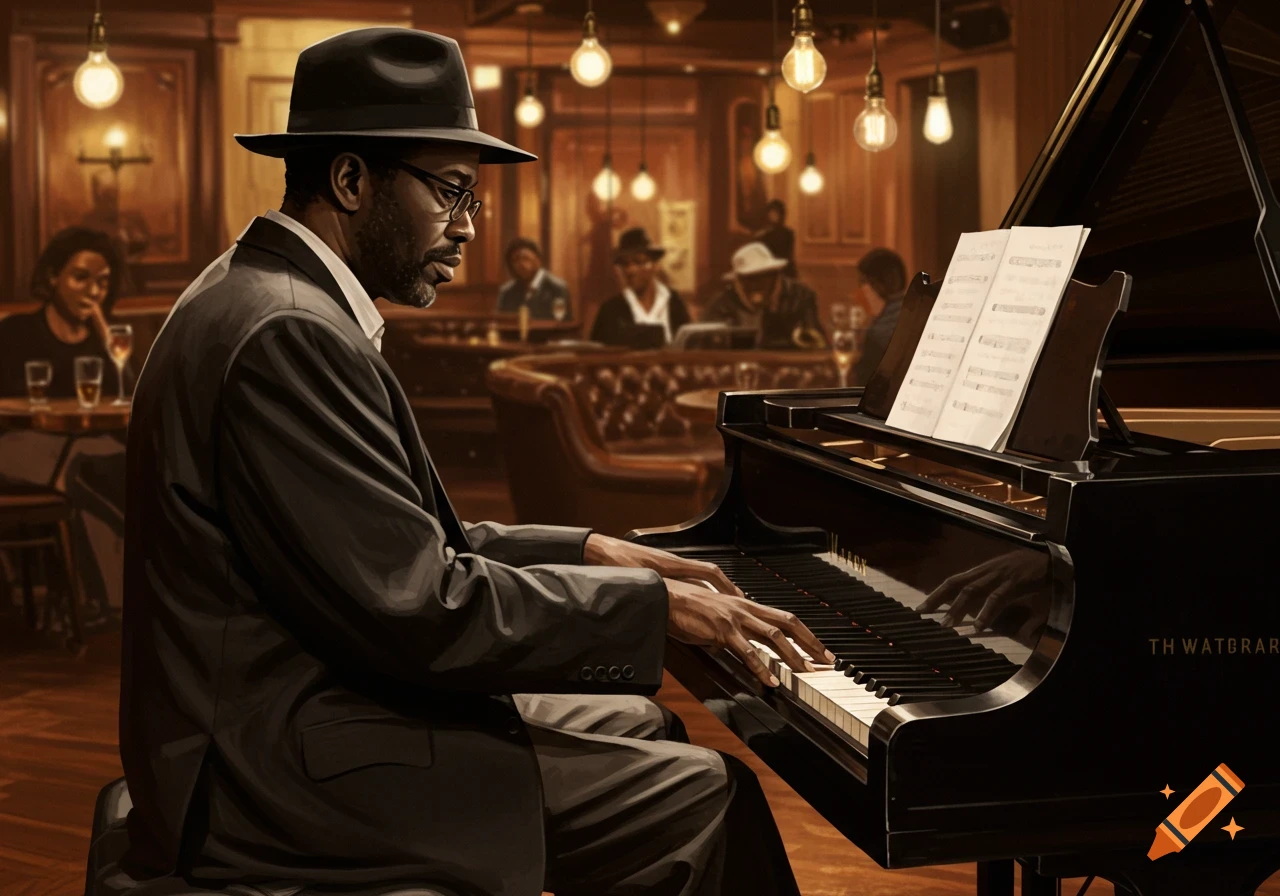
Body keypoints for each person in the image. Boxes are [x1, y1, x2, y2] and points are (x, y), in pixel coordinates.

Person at [119, 27, 828, 896]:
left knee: (642, 721)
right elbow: (418, 606)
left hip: (289, 707)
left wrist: (591, 551)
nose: (466, 229)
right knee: (709, 796)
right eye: (452, 193)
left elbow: (386, 547)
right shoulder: (292, 333)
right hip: (276, 767)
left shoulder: (261, 292)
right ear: (351, 180)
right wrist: (651, 608)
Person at [0, 227, 133, 627]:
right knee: (93, 466)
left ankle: (89, 602)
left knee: (96, 466)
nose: (93, 291)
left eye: (102, 282)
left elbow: (128, 400)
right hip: (16, 447)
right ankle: (103, 601)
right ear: (54, 277)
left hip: (86, 451)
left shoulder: (106, 340)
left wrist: (113, 354)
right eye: (81, 278)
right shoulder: (16, 332)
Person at [704, 241, 826, 350]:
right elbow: (706, 347)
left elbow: (817, 346)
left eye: (763, 277)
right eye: (750, 278)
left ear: (775, 276)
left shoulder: (799, 297)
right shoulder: (722, 305)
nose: (756, 284)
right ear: (738, 281)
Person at [589, 227, 692, 347]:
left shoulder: (673, 301)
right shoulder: (610, 310)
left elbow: (688, 347)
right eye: (625, 264)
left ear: (654, 265)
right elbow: (597, 356)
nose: (631, 270)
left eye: (638, 261)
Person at [850, 247, 909, 384]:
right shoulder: (916, 310)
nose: (860, 291)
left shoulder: (878, 335)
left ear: (878, 285)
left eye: (863, 282)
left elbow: (863, 385)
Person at [495, 237, 570, 319]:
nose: (521, 264)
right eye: (515, 260)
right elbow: (500, 322)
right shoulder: (507, 292)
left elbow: (562, 323)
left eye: (525, 258)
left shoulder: (556, 288)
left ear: (538, 259)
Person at [753, 199, 797, 279]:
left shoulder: (788, 233)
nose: (773, 216)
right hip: (768, 270)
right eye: (771, 213)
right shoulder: (763, 234)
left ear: (781, 215)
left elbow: (789, 255)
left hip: (785, 270)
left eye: (776, 213)